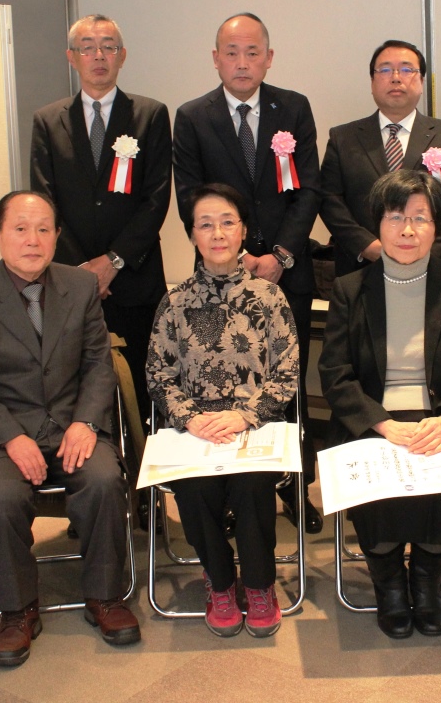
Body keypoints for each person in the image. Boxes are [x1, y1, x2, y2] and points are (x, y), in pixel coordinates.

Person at [0, 191, 140, 667]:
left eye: (43, 229)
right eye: (20, 229)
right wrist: (12, 438)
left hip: (74, 425)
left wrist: (86, 422)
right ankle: (17, 610)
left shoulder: (80, 285)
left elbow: (99, 365)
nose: (32, 240)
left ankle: (105, 596)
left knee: (103, 480)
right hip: (5, 433)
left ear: (56, 236)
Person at [319, 170, 441, 639]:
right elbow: (335, 375)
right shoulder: (350, 289)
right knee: (381, 482)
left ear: (437, 226)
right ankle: (390, 585)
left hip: (439, 415)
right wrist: (381, 423)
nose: (408, 230)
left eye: (420, 217)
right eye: (396, 217)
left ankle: (427, 579)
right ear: (378, 223)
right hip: (375, 418)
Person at [172, 12, 322, 533]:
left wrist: (279, 256)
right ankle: (234, 491)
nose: (242, 62)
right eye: (231, 53)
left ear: (269, 58)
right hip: (217, 279)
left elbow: (308, 189)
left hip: (286, 273)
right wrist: (235, 260)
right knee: (224, 384)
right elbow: (189, 198)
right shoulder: (193, 117)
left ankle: (295, 488)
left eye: (252, 52)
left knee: (288, 383)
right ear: (216, 59)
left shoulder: (293, 108)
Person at [146, 183, 299, 639]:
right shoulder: (174, 302)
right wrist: (191, 418)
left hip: (253, 425)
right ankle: (219, 581)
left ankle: (259, 584)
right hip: (196, 427)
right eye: (206, 225)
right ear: (192, 235)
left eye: (227, 222)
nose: (217, 233)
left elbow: (287, 373)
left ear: (244, 231)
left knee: (252, 485)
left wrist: (245, 416)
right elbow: (158, 374)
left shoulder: (270, 298)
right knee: (195, 487)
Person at [31, 13, 171, 446]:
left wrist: (112, 262)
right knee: (79, 386)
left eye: (108, 47)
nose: (98, 56)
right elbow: (44, 203)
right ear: (71, 57)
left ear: (122, 56)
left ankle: (146, 475)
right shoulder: (48, 120)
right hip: (70, 284)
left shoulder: (149, 115)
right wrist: (83, 272)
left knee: (144, 385)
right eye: (88, 47)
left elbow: (156, 200)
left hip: (134, 280)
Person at [320, 40, 441, 276]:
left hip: (432, 265)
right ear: (372, 82)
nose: (396, 78)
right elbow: (329, 198)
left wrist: (425, 250)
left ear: (421, 81)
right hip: (360, 268)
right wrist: (367, 246)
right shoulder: (343, 137)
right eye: (385, 69)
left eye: (406, 69)